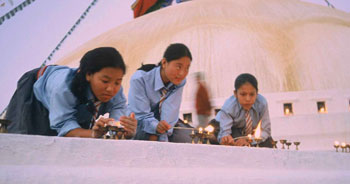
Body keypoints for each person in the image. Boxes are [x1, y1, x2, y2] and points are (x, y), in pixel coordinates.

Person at [6, 47, 137, 138]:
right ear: (88, 75)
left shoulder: (114, 87)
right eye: (105, 81)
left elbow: (116, 112)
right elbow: (64, 125)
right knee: (26, 137)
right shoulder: (63, 88)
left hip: (80, 98)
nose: (111, 89)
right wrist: (93, 134)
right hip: (35, 95)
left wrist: (120, 129)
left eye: (117, 82)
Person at [128, 43, 192, 142]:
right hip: (140, 121)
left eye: (187, 68)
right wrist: (156, 129)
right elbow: (141, 114)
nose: (182, 73)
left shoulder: (179, 82)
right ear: (164, 63)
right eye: (178, 67)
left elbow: (170, 109)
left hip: (163, 123)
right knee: (147, 138)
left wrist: (163, 132)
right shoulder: (140, 79)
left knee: (189, 137)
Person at [215, 73, 274, 147]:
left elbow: (265, 131)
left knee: (268, 143)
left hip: (252, 134)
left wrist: (249, 140)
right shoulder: (229, 107)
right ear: (235, 94)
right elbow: (224, 132)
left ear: (257, 93)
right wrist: (226, 139)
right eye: (243, 94)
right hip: (231, 129)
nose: (248, 99)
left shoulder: (262, 103)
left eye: (252, 94)